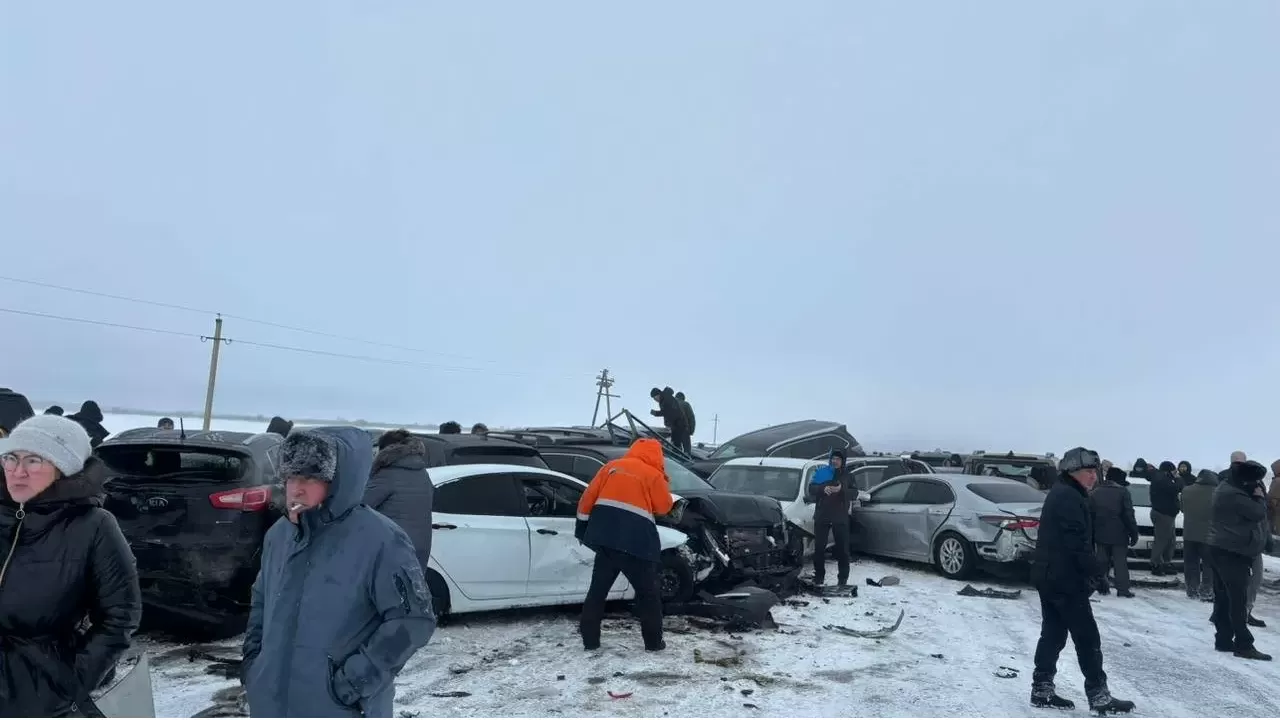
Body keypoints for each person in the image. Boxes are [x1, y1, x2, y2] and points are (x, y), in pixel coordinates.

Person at [242, 427, 436, 716]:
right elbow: (261, 602)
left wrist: (353, 683)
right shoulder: (280, 535)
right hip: (271, 704)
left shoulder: (382, 540)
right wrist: (254, 663)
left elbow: (412, 620)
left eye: (309, 477)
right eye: (291, 477)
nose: (296, 488)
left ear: (339, 479)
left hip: (338, 707)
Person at [0, 415, 143, 717]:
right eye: (10, 458)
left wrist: (74, 678)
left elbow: (120, 616)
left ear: (63, 469)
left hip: (40, 694)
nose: (18, 472)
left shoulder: (93, 526)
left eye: (34, 460)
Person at [1029, 447, 1134, 713]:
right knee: (1087, 637)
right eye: (1088, 472)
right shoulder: (1068, 497)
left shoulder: (1065, 492)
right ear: (1072, 472)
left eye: (1094, 472)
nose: (1093, 477)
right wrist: (1096, 572)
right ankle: (1099, 697)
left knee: (1052, 634)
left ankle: (1042, 689)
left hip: (1051, 575)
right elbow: (1076, 543)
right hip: (1064, 579)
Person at [575, 438, 672, 653]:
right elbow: (664, 507)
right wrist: (663, 480)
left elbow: (586, 499)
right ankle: (654, 643)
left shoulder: (611, 467)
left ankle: (590, 641)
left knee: (597, 592)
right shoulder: (653, 474)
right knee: (648, 596)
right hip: (636, 543)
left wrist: (581, 527)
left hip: (606, 540)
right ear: (657, 456)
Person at [1206, 457, 1271, 660]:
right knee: (1237, 598)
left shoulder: (1227, 487)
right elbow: (1258, 513)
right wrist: (1260, 497)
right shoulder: (1234, 494)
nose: (1257, 485)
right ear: (1246, 480)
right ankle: (1243, 644)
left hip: (1221, 548)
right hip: (1232, 551)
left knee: (1224, 597)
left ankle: (1224, 639)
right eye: (1255, 482)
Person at [365, 429, 434, 577]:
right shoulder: (421, 472)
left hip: (392, 547)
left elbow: (361, 504)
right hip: (420, 545)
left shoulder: (388, 473)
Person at [1089, 465, 1138, 598]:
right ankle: (1122, 589)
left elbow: (1090, 514)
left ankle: (1101, 587)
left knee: (1101, 561)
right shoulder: (1123, 493)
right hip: (1119, 534)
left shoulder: (1095, 492)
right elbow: (1129, 515)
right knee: (1120, 562)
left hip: (1100, 533)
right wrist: (1133, 533)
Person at [809, 449, 852, 587]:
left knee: (842, 549)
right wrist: (823, 489)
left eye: (838, 459)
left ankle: (843, 579)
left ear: (843, 461)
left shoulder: (848, 475)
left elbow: (855, 492)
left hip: (840, 516)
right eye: (833, 458)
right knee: (819, 548)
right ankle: (819, 576)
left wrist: (841, 490)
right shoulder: (822, 472)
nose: (835, 461)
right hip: (822, 515)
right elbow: (811, 488)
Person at [1181, 469, 1219, 601]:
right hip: (1209, 535)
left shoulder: (1186, 490)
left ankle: (1192, 589)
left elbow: (1182, 509)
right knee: (1209, 564)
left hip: (1189, 533)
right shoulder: (1217, 493)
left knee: (1191, 562)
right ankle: (1206, 589)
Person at [1149, 461, 1181, 575]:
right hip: (1163, 514)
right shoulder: (1161, 479)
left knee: (1170, 540)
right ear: (1168, 471)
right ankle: (1156, 564)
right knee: (1162, 540)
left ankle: (1166, 563)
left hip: (1168, 514)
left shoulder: (1162, 478)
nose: (1175, 473)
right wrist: (1178, 479)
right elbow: (1176, 488)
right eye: (1174, 471)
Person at [649, 387, 691, 455]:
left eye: (655, 397)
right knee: (676, 443)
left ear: (658, 394)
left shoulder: (666, 398)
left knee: (683, 442)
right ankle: (680, 455)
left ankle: (686, 456)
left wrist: (656, 413)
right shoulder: (663, 400)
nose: (655, 400)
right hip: (675, 425)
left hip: (679, 424)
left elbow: (668, 412)